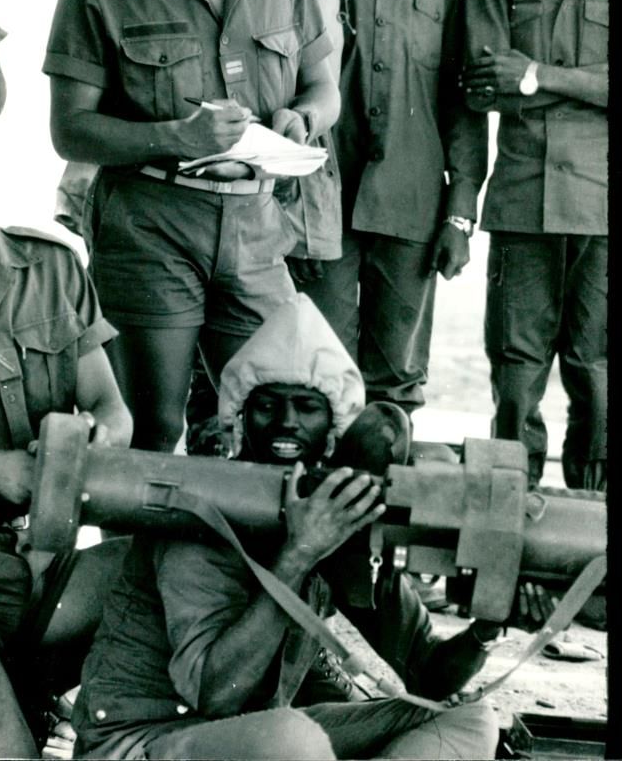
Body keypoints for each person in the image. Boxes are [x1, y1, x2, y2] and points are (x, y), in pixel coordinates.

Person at [71, 294, 502, 760]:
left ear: (333, 423)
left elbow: (426, 673)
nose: (286, 423)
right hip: (141, 742)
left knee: (467, 719)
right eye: (268, 405)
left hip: (254, 734)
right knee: (294, 740)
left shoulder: (333, 511)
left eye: (307, 407)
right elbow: (218, 693)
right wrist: (298, 555)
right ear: (241, 415)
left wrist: (488, 626)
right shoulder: (205, 510)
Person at [44, 0, 340, 453]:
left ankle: (247, 560)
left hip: (259, 228)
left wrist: (305, 118)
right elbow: (70, 131)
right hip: (150, 227)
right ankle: (139, 558)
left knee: (282, 417)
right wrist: (175, 137)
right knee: (150, 431)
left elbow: (324, 85)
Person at [0, 90, 133, 758]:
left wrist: (96, 442)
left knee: (173, 566)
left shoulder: (52, 266)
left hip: (47, 568)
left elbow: (111, 407)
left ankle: (77, 711)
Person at [303, 0, 488, 417]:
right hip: (320, 196)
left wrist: (460, 214)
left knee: (394, 388)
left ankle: (377, 514)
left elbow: (465, 98)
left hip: (412, 202)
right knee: (316, 374)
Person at [461, 0, 611, 490]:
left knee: (600, 378)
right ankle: (507, 550)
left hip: (611, 209)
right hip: (521, 203)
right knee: (515, 380)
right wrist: (589, 83)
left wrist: (538, 75)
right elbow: (485, 80)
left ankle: (595, 558)